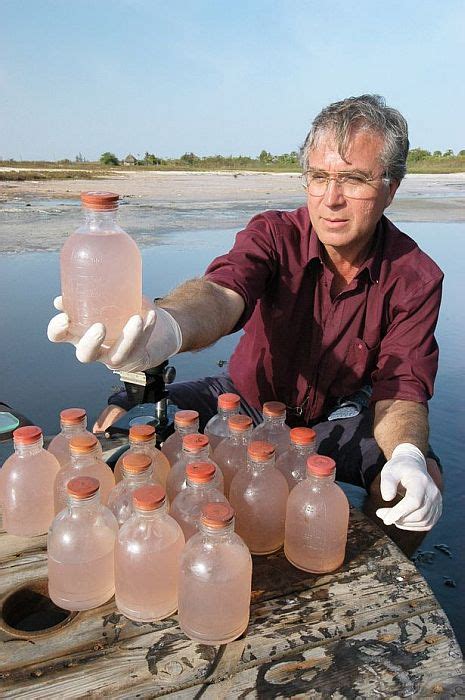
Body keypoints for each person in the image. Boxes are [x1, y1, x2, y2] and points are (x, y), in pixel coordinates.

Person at [48, 94, 443, 546]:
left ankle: (373, 580)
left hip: (343, 418)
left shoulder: (416, 276)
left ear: (391, 188)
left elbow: (402, 389)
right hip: (243, 399)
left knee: (418, 481)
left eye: (354, 179)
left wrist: (407, 454)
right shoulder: (274, 235)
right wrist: (168, 325)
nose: (332, 200)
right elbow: (220, 293)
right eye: (319, 177)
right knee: (125, 423)